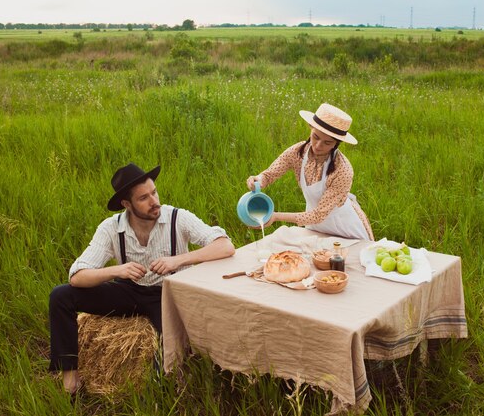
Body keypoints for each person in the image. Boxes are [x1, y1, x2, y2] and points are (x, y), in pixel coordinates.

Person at [48, 162, 235, 395]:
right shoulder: (111, 228)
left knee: (167, 363)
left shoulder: (177, 218)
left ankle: (166, 390)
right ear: (127, 204)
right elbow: (77, 276)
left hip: (169, 293)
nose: (154, 201)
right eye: (143, 198)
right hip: (129, 290)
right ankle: (71, 381)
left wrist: (178, 260)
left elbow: (225, 246)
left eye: (154, 192)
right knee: (61, 295)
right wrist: (117, 271)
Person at [245, 103, 374, 241]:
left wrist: (276, 216)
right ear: (310, 128)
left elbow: (318, 215)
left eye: (327, 143)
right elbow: (269, 174)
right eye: (316, 137)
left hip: (343, 227)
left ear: (337, 143)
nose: (318, 146)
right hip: (314, 225)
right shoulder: (297, 152)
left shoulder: (343, 170)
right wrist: (258, 180)